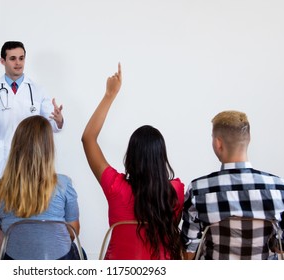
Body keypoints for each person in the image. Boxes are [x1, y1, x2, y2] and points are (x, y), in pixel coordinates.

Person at [81, 63, 185, 260]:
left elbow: (88, 139)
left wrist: (109, 95)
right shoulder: (176, 190)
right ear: (162, 157)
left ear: (131, 156)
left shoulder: (115, 187)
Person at [181, 110, 284, 260]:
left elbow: (189, 251)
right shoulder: (279, 188)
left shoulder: (198, 190)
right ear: (248, 140)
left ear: (218, 143)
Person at [0, 41, 64, 191]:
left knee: (26, 202)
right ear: (2, 61)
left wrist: (58, 120)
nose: (18, 63)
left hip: (28, 159)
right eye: (12, 58)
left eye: (21, 58)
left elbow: (53, 127)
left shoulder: (38, 91)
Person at [0, 115, 83, 260]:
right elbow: (73, 231)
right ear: (49, 149)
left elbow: (1, 228)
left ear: (15, 146)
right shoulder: (64, 185)